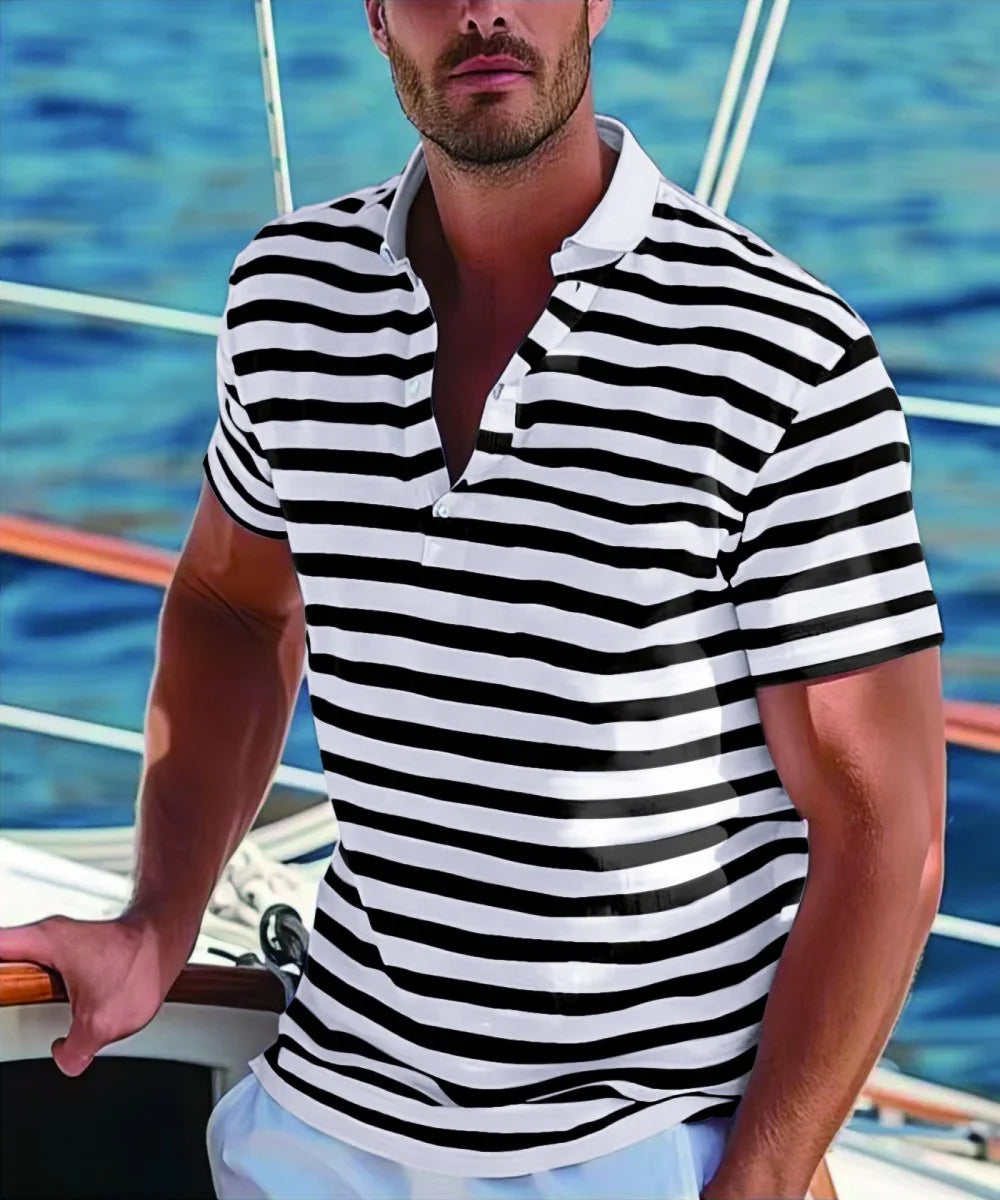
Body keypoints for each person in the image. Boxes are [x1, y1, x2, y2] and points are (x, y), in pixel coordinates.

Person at [0, 1, 947, 1197]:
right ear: (375, 14)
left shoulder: (778, 352)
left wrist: (757, 1181)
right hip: (320, 1127)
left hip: (635, 1149)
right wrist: (156, 919)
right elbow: (233, 608)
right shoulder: (288, 298)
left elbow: (886, 832)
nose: (483, 10)